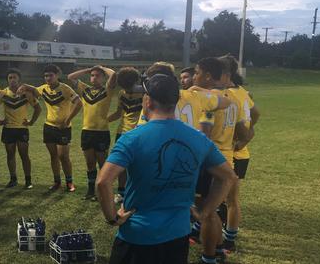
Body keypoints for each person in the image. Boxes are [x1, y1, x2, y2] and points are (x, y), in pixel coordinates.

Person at [96, 74, 237, 264]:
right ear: (176, 102)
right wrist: (204, 212)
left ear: (147, 101)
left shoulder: (132, 138)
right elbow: (228, 177)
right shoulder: (198, 138)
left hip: (137, 236)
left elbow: (103, 182)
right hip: (177, 237)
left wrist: (112, 218)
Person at [192, 57, 251, 264]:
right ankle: (217, 249)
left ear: (208, 76)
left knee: (206, 212)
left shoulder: (211, 100)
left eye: (197, 72)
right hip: (226, 157)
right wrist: (238, 145)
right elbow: (244, 131)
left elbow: (204, 135)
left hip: (210, 161)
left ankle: (211, 255)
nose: (194, 76)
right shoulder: (231, 99)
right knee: (214, 210)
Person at [219, 56, 261, 253]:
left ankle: (227, 241)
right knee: (228, 199)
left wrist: (241, 138)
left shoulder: (226, 95)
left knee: (226, 199)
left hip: (230, 153)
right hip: (240, 153)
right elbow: (256, 113)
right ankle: (224, 238)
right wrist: (247, 134)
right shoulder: (242, 92)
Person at [18, 64, 82, 192]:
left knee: (63, 156)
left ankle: (69, 182)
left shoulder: (65, 88)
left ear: (57, 75)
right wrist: (25, 87)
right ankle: (57, 181)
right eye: (46, 76)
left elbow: (79, 103)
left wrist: (68, 120)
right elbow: (35, 90)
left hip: (63, 128)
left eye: (50, 75)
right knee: (53, 156)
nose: (48, 78)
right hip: (49, 127)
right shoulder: (44, 88)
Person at [68, 65, 117, 200]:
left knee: (102, 164)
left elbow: (113, 75)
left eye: (97, 75)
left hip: (101, 132)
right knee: (90, 163)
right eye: (92, 75)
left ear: (103, 78)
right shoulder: (85, 89)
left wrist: (102, 67)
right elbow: (70, 77)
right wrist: (87, 70)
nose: (94, 78)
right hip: (87, 131)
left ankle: (103, 192)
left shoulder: (107, 90)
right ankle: (91, 192)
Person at [0, 68, 41, 189]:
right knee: (10, 155)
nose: (12, 80)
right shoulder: (3, 93)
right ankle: (13, 179)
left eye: (14, 77)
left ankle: (28, 181)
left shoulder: (26, 93)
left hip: (22, 129)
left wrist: (31, 122)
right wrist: (0, 121)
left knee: (24, 155)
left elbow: (38, 108)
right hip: (8, 129)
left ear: (19, 79)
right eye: (10, 78)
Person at [107, 67, 143, 204]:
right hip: (122, 132)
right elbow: (118, 113)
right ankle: (121, 192)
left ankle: (136, 192)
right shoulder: (122, 94)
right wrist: (104, 121)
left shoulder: (145, 93)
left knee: (137, 165)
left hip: (138, 132)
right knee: (121, 165)